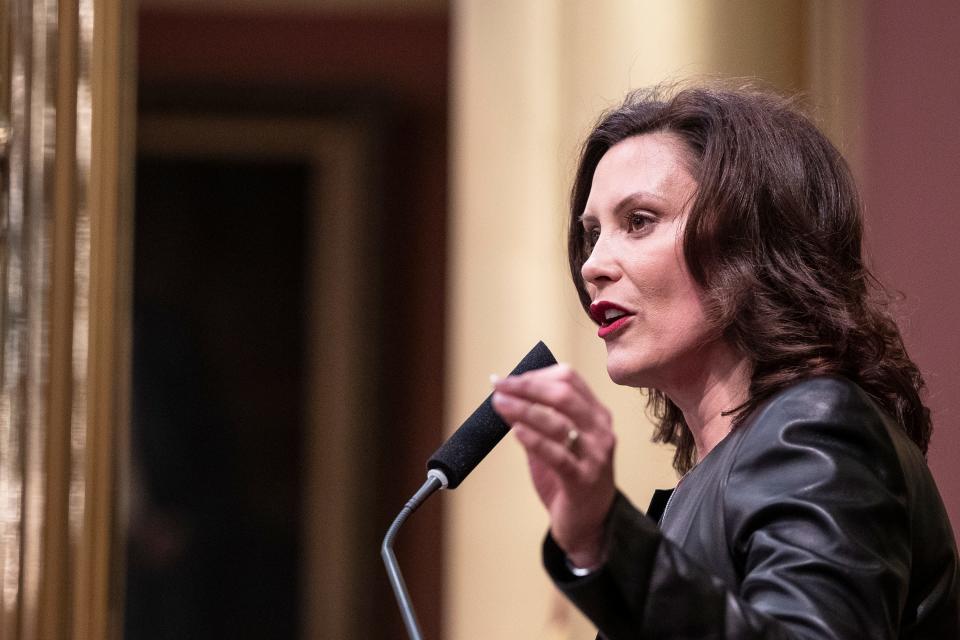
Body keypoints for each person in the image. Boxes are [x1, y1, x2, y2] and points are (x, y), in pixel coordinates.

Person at [490, 85, 960, 639]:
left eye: (639, 221)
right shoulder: (710, 482)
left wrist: (606, 541)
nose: (593, 264)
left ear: (749, 242)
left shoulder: (817, 425)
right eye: (591, 234)